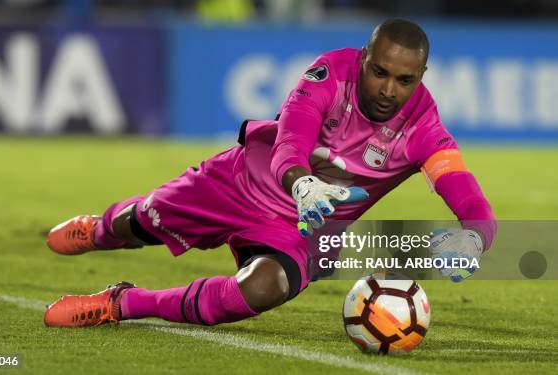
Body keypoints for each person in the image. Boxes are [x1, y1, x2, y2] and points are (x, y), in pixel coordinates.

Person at [43, 19, 496, 328]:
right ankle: (101, 229)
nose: (388, 90)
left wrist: (474, 238)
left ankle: (122, 303)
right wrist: (301, 183)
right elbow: (288, 146)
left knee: (263, 288)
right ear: (363, 59)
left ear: (422, 75)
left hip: (303, 228)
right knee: (139, 223)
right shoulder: (326, 75)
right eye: (379, 72)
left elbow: (468, 198)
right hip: (241, 183)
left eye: (404, 80)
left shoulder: (424, 129)